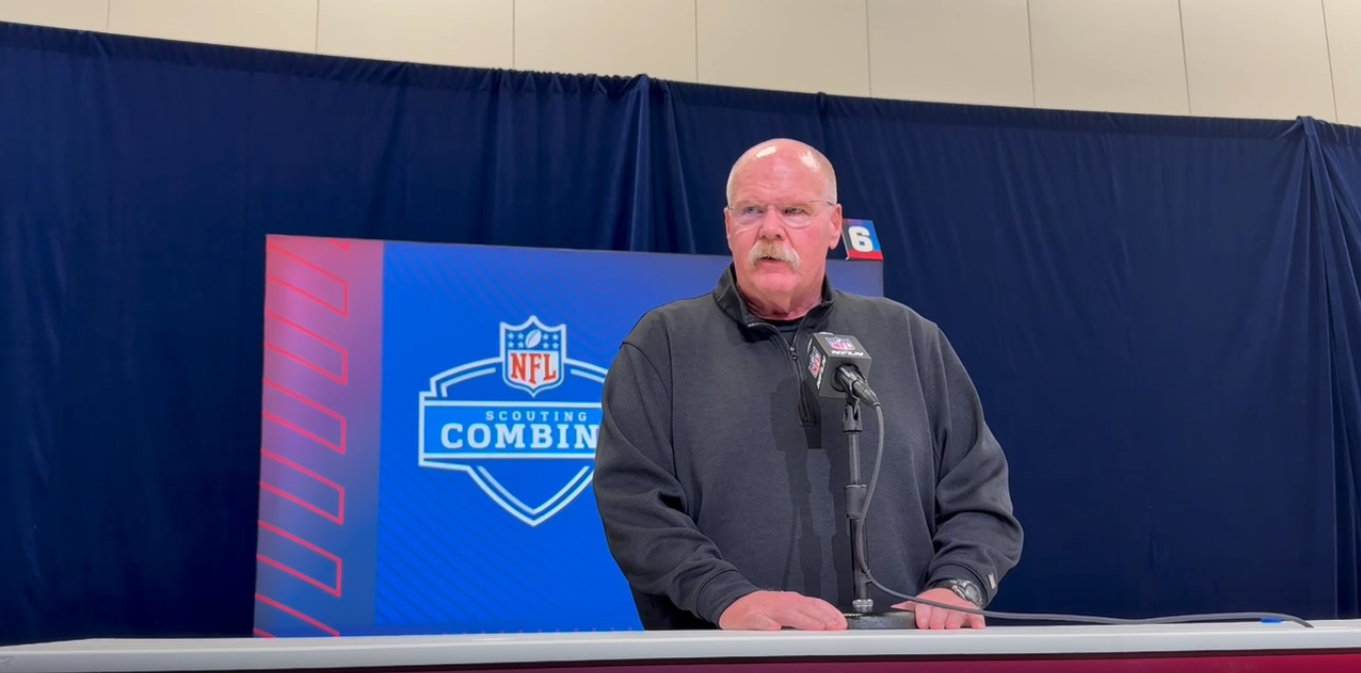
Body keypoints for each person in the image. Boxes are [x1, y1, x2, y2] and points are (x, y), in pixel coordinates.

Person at [592, 138, 1023, 632]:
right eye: (752, 210)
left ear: (835, 226)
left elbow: (981, 496)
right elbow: (634, 507)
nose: (771, 230)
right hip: (728, 659)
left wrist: (959, 584)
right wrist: (726, 598)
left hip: (900, 656)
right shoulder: (663, 345)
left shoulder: (910, 338)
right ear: (730, 225)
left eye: (794, 211)